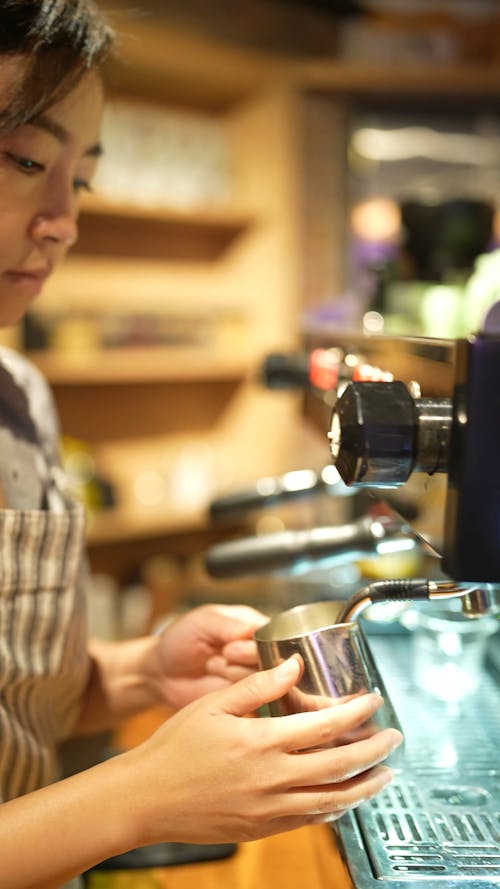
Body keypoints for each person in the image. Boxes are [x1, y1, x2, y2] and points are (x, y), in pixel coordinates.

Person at [0, 3, 403, 887]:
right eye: (28, 159)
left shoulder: (20, 395)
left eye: (83, 180)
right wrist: (140, 795)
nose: (63, 218)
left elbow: (11, 708)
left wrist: (143, 671)